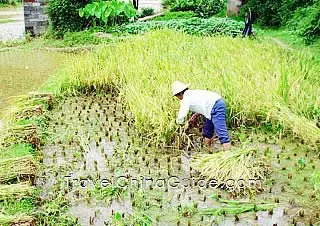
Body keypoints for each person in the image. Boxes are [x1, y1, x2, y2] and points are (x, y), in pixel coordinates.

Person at [172, 81, 231, 150]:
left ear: (179, 95)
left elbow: (181, 115)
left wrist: (179, 124)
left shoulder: (186, 98)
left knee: (222, 133)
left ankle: (228, 154)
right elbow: (202, 104)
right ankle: (209, 151)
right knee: (207, 132)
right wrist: (194, 116)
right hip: (211, 108)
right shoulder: (192, 93)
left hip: (216, 106)